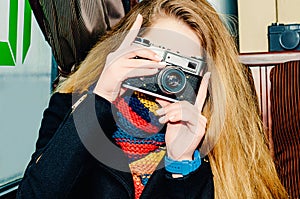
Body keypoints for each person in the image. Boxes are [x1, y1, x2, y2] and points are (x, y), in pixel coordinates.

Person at [17, 0, 288, 198]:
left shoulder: (218, 141)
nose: (167, 75)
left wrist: (180, 165)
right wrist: (99, 100)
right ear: (128, 50)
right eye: (159, 57)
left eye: (184, 66)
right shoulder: (69, 107)